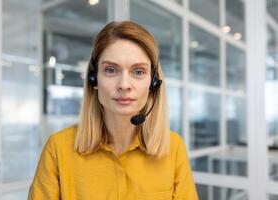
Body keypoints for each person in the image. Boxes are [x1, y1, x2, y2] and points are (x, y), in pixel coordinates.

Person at [28, 21, 198, 200]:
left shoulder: (173, 147)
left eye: (138, 72)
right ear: (94, 80)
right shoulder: (58, 148)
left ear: (153, 83)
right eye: (111, 70)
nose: (124, 85)